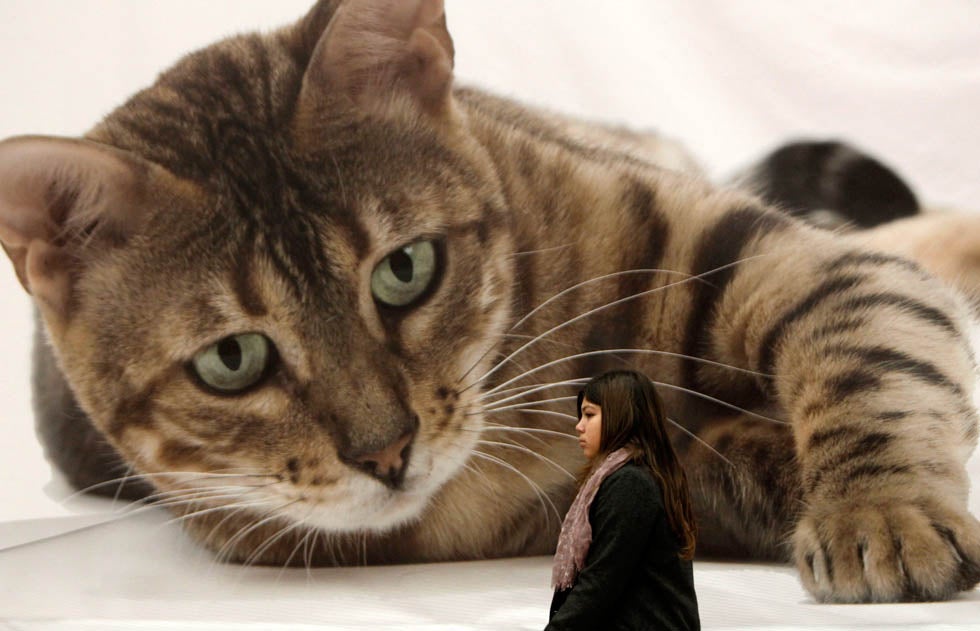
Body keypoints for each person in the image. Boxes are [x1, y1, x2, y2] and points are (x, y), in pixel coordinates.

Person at [546, 370, 700, 631]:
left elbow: (601, 582)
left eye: (589, 414)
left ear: (620, 417)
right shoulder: (626, 478)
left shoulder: (631, 484)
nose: (579, 426)